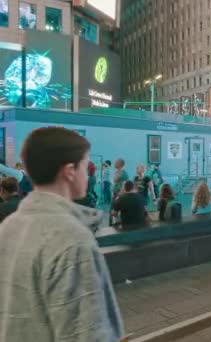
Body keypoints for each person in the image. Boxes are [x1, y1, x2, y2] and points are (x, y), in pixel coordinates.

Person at [0, 127, 124, 341]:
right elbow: (85, 332)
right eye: (85, 166)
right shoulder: (71, 238)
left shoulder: (10, 226)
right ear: (69, 171)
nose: (88, 174)